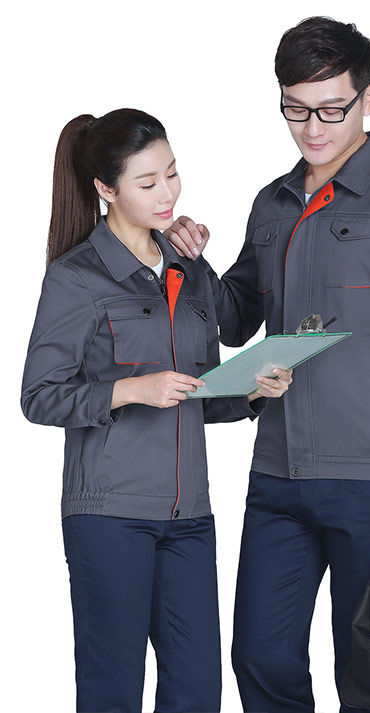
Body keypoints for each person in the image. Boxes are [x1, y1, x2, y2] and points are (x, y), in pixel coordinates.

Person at [165, 17, 370, 713]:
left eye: (332, 109)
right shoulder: (272, 203)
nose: (312, 128)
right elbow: (236, 318)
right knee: (259, 654)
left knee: (369, 669)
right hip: (278, 473)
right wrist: (191, 261)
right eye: (295, 109)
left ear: (368, 98)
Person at [20, 108, 292, 713]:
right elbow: (38, 395)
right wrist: (129, 390)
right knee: (113, 690)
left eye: (172, 173)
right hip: (109, 514)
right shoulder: (76, 278)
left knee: (197, 693)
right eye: (147, 183)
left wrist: (250, 393)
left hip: (189, 516)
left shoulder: (185, 266)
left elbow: (195, 392)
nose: (168, 193)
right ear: (105, 188)